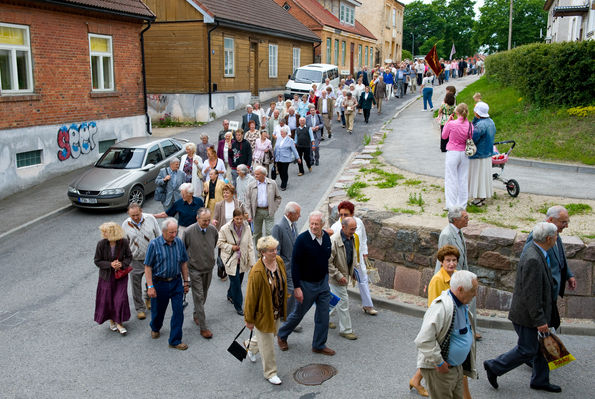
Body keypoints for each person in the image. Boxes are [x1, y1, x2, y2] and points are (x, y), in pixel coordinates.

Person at [484, 222, 562, 393]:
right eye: (556, 235)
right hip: (528, 316)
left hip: (533, 313)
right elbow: (531, 295)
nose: (557, 238)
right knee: (527, 350)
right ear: (548, 238)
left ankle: (540, 380)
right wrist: (540, 320)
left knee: (542, 348)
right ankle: (494, 366)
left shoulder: (536, 251)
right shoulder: (534, 258)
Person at [277, 211, 335, 356]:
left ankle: (319, 345)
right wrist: (297, 287)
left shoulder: (326, 237)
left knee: (323, 315)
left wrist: (326, 277)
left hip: (322, 284)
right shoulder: (302, 240)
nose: (314, 227)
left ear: (322, 224)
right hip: (306, 285)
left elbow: (326, 258)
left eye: (317, 224)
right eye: (312, 224)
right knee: (298, 314)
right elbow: (295, 265)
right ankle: (282, 335)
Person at [415, 270, 478, 399]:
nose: (475, 294)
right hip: (441, 370)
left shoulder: (463, 304)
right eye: (473, 290)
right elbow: (423, 339)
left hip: (456, 368)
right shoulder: (441, 307)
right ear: (460, 289)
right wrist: (439, 362)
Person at [243, 236, 288, 385]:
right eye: (271, 250)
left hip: (276, 310)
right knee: (268, 344)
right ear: (262, 252)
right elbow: (250, 298)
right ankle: (270, 373)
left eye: (275, 249)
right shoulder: (257, 272)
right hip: (263, 314)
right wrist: (249, 319)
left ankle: (250, 346)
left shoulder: (279, 261)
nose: (275, 252)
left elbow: (283, 280)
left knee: (270, 334)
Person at [144, 217, 190, 350]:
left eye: (175, 232)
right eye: (171, 232)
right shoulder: (154, 244)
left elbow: (183, 262)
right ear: (163, 231)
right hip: (159, 283)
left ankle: (175, 340)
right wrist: (150, 286)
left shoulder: (179, 243)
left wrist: (186, 282)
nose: (174, 235)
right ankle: (155, 327)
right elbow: (148, 267)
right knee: (158, 311)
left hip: (176, 282)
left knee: (178, 311)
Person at [329, 201, 378, 315]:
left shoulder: (358, 223)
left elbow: (364, 238)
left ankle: (368, 305)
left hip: (357, 259)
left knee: (363, 280)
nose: (342, 217)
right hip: (343, 261)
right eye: (340, 215)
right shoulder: (336, 227)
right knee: (337, 286)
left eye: (346, 215)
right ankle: (330, 310)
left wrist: (364, 252)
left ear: (352, 214)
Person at [524, 206, 576, 300]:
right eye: (563, 222)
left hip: (552, 291)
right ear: (551, 219)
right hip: (545, 293)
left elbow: (559, 256)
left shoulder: (554, 232)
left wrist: (569, 275)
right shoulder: (538, 235)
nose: (566, 226)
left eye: (567, 222)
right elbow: (527, 259)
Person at [183, 208, 218, 339]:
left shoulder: (213, 230)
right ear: (197, 219)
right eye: (204, 220)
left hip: (208, 268)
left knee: (204, 295)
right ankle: (203, 328)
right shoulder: (188, 232)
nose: (207, 223)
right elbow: (183, 250)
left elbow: (213, 243)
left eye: (209, 220)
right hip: (194, 270)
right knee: (198, 296)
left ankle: (197, 314)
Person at [122, 203, 161, 320]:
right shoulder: (125, 224)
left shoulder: (151, 219)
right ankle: (139, 308)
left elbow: (158, 235)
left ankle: (149, 299)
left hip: (152, 257)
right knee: (135, 285)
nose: (135, 217)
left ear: (141, 211)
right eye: (132, 215)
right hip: (135, 259)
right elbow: (124, 243)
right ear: (129, 214)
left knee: (153, 280)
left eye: (137, 215)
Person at [94, 222, 133, 335]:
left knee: (120, 299)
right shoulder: (101, 244)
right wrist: (110, 264)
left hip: (120, 275)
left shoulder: (123, 242)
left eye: (105, 231)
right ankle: (112, 320)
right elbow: (97, 261)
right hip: (106, 276)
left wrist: (121, 264)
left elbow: (129, 257)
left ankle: (119, 323)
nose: (103, 233)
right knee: (108, 299)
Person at [217, 208, 255, 315]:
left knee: (238, 281)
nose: (239, 221)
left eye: (241, 219)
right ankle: (239, 306)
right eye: (237, 219)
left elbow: (250, 246)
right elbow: (219, 243)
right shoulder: (225, 228)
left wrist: (252, 263)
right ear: (233, 218)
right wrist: (231, 247)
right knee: (236, 284)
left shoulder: (247, 228)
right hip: (230, 260)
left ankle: (230, 294)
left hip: (242, 259)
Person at [328, 217, 359, 340]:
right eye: (352, 229)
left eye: (355, 228)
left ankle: (323, 319)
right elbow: (328, 262)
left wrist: (353, 271)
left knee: (334, 300)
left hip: (344, 276)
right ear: (343, 227)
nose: (354, 231)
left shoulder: (352, 238)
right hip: (337, 278)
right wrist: (339, 276)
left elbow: (352, 255)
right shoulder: (334, 241)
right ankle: (346, 330)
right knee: (343, 302)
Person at [271, 202, 301, 317]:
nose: (299, 216)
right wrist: (279, 269)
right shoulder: (279, 227)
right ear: (289, 214)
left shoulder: (293, 224)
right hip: (286, 267)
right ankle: (288, 318)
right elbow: (275, 251)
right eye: (297, 213)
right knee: (291, 291)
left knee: (293, 291)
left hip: (295, 266)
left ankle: (288, 315)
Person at [442, 103, 473, 210]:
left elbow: (444, 136)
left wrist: (448, 122)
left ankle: (451, 205)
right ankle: (462, 205)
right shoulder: (470, 125)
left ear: (457, 113)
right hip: (464, 153)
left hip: (452, 152)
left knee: (451, 179)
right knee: (463, 179)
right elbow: (470, 136)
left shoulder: (452, 124)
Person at [468, 102, 496, 207]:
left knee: (477, 176)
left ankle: (477, 198)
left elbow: (473, 138)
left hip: (478, 154)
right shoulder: (491, 122)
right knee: (484, 176)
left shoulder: (480, 125)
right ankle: (483, 195)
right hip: (487, 153)